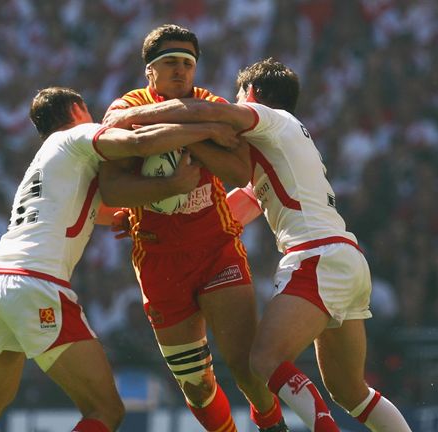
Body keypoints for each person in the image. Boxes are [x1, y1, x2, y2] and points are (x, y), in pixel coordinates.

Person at [104, 58, 413, 431]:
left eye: (238, 99)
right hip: (345, 258)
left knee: (263, 361)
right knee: (352, 393)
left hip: (316, 257)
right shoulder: (282, 144)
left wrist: (133, 121)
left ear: (251, 96)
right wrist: (153, 211)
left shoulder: (267, 117)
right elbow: (241, 206)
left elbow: (203, 111)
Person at [0, 86, 241, 432]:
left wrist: (126, 214)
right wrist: (206, 131)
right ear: (77, 109)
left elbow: (85, 207)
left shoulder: (43, 160)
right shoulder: (78, 135)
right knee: (106, 409)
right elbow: (139, 144)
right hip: (36, 285)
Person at [99, 25, 287, 432]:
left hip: (216, 248)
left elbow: (241, 172)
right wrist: (172, 182)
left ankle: (274, 425)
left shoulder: (211, 105)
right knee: (197, 387)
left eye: (187, 64)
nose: (181, 72)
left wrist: (191, 138)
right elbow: (111, 187)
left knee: (246, 366)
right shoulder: (126, 107)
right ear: (150, 72)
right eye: (170, 64)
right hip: (159, 261)